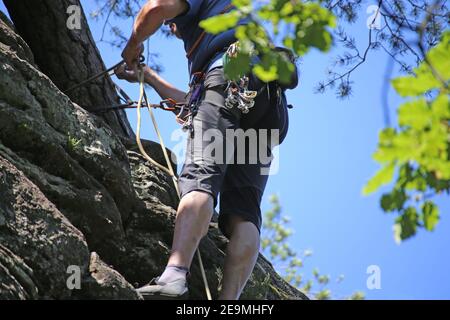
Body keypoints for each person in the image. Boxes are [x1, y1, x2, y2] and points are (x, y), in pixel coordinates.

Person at [118, 0, 290, 300]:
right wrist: (147, 76)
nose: (173, 28)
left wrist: (133, 44)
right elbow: (196, 101)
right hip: (270, 105)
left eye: (173, 25)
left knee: (201, 177)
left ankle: (173, 276)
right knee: (244, 214)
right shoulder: (231, 22)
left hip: (231, 78)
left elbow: (156, 8)